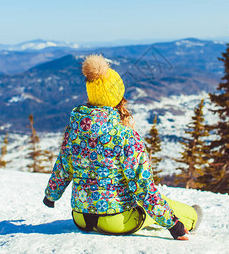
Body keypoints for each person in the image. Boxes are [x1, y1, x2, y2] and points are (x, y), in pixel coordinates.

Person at [43, 55, 201, 240]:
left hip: (81, 218)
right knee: (162, 204)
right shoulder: (125, 136)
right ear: (118, 96)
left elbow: (63, 167)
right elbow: (143, 188)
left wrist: (51, 196)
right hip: (117, 221)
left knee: (149, 203)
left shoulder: (75, 130)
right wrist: (174, 226)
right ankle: (193, 217)